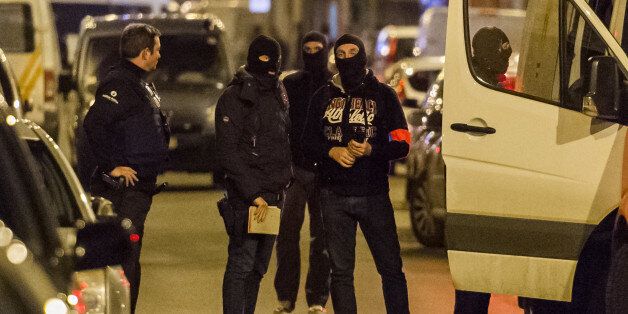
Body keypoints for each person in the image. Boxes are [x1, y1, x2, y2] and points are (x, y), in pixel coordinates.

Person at [303, 33, 411, 314]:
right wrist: (332, 151)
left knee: (391, 269)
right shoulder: (323, 96)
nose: (348, 58)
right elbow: (307, 142)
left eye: (354, 52)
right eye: (342, 54)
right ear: (335, 58)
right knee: (340, 273)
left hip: (373, 194)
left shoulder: (384, 95)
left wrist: (370, 151)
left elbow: (402, 143)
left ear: (363, 55)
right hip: (333, 195)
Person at [83, 23, 168, 313]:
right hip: (124, 192)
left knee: (131, 259)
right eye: (156, 50)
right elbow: (94, 124)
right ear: (144, 53)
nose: (159, 55)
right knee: (125, 260)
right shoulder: (120, 84)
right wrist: (112, 166)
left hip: (138, 190)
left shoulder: (138, 81)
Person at [216, 35, 293, 314]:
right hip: (248, 199)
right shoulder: (234, 97)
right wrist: (254, 195)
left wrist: (285, 181)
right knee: (242, 264)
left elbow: (282, 139)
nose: (268, 69)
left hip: (275, 195)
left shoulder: (278, 92)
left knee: (259, 267)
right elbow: (228, 153)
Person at [453, 26, 513, 314]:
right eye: (503, 50)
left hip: (486, 189)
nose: (507, 55)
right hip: (477, 190)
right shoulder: (479, 86)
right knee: (475, 279)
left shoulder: (488, 83)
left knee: (480, 277)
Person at [273, 31, 331, 314]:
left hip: (325, 173)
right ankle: (285, 297)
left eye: (317, 48)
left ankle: (317, 299)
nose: (312, 53)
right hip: (294, 171)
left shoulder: (335, 85)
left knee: (322, 239)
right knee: (286, 236)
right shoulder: (291, 83)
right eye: (306, 48)